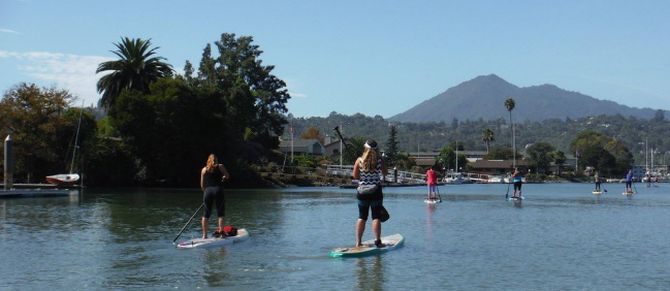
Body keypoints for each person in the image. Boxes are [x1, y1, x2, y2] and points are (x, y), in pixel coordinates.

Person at [352, 139, 388, 248]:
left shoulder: (359, 160)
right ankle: (378, 241)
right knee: (376, 216)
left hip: (362, 192)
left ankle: (358, 243)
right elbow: (385, 173)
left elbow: (355, 176)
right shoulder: (379, 161)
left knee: (362, 216)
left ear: (365, 148)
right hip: (376, 191)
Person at [200, 153, 230, 239]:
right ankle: (221, 234)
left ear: (208, 160)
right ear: (216, 160)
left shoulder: (203, 170)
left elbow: (202, 185)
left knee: (206, 214)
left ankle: (204, 235)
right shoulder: (220, 166)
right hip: (218, 190)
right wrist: (223, 177)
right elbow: (227, 176)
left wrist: (206, 193)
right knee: (220, 213)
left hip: (207, 191)